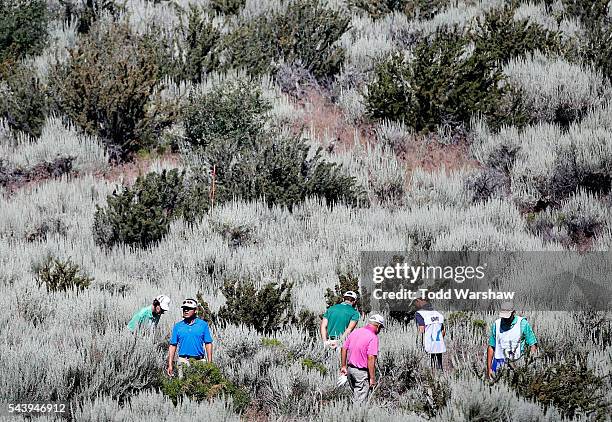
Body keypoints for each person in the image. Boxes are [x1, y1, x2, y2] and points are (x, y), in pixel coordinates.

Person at [340, 314, 384, 403]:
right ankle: (355, 416)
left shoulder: (356, 332)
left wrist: (343, 366)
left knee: (356, 396)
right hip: (361, 373)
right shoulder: (373, 337)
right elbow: (371, 358)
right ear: (378, 326)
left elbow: (344, 348)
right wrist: (372, 378)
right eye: (381, 328)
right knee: (360, 402)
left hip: (350, 370)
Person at [487, 301, 538, 378]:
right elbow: (491, 347)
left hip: (517, 362)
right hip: (498, 362)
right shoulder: (496, 324)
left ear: (513, 312)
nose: (505, 319)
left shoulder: (523, 323)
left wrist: (530, 364)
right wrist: (489, 368)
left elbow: (532, 344)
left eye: (507, 316)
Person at [167, 298, 213, 378]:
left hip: (199, 361)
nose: (186, 311)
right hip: (183, 361)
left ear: (195, 310)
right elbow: (173, 345)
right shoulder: (178, 326)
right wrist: (170, 365)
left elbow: (208, 343)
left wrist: (209, 362)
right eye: (184, 309)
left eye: (189, 309)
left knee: (200, 387)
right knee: (183, 386)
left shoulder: (203, 325)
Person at [415, 297, 446, 370]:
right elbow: (443, 331)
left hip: (428, 345)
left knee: (429, 368)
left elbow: (421, 330)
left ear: (420, 301)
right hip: (439, 345)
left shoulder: (420, 313)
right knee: (439, 367)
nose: (415, 303)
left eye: (416, 301)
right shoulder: (438, 314)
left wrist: (418, 344)